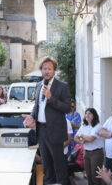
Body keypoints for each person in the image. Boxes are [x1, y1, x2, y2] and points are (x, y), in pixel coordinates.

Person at [23, 56, 71, 185]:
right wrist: (31, 116)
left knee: (59, 166)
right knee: (46, 166)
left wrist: (51, 98)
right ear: (41, 70)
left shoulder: (62, 86)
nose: (47, 71)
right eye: (44, 69)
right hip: (41, 130)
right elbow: (37, 106)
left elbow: (67, 108)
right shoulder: (38, 85)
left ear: (54, 70)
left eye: (50, 69)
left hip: (55, 132)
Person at [74, 108, 104, 185]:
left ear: (94, 115)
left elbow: (91, 139)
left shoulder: (98, 126)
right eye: (86, 113)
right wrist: (82, 141)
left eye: (89, 113)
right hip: (86, 152)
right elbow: (75, 138)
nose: (87, 115)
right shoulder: (84, 126)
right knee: (89, 175)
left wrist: (82, 135)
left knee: (95, 176)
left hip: (96, 153)